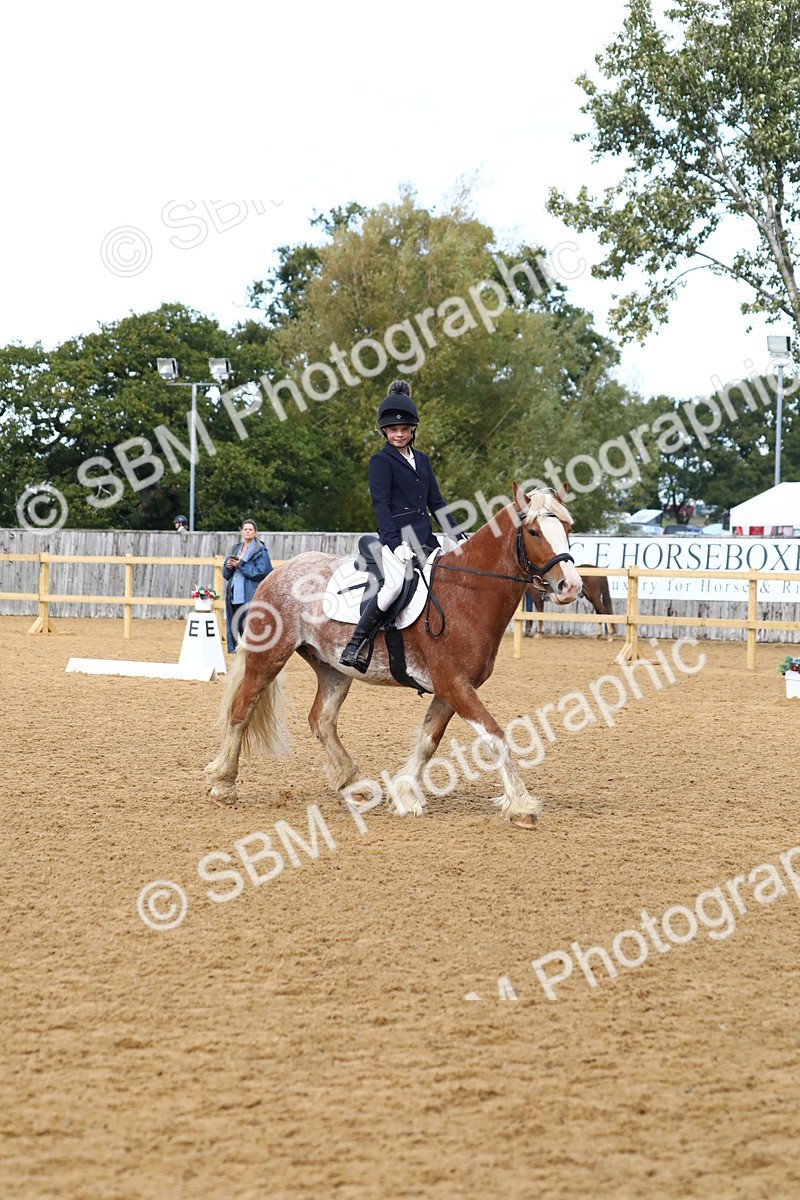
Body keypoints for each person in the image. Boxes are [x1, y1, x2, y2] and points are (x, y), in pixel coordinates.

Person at [340, 380, 466, 672]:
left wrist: (458, 536)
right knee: (394, 585)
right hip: (395, 540)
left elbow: (436, 502)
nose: (399, 434)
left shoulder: (422, 460)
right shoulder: (380, 461)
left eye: (405, 429)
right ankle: (357, 643)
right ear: (385, 431)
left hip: (425, 539)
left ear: (413, 430)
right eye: (394, 430)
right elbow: (381, 506)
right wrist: (395, 545)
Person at [222, 519, 272, 653]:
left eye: (250, 529)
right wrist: (228, 567)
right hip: (234, 597)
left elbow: (262, 572)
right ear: (241, 531)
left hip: (250, 595)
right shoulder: (236, 548)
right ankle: (238, 655)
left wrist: (241, 565)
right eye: (245, 529)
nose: (248, 531)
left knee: (250, 628)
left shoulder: (260, 550)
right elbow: (226, 575)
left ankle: (251, 656)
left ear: (255, 532)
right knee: (235, 627)